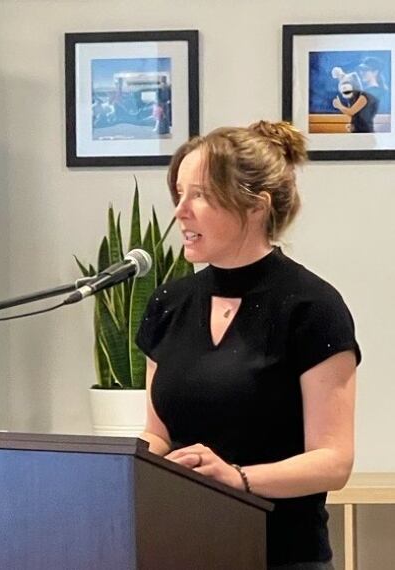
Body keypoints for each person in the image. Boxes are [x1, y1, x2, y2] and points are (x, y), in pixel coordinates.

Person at [136, 120, 360, 570]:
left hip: (281, 555)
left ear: (255, 207)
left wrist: (238, 478)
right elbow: (157, 435)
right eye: (178, 194)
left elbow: (333, 462)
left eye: (198, 194)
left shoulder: (312, 307)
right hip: (180, 551)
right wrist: (116, 467)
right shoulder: (168, 303)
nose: (180, 211)